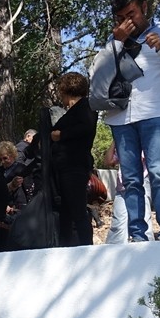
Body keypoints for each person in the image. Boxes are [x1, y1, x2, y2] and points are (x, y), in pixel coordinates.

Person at [90, 0, 160, 242]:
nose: (127, 21)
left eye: (131, 14)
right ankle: (137, 234)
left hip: (156, 113)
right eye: (120, 17)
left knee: (159, 171)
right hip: (121, 116)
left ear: (144, 7)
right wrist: (116, 41)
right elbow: (97, 75)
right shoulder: (114, 40)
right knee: (131, 179)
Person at [50, 72, 99, 247]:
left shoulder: (86, 106)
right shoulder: (74, 110)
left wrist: (60, 134)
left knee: (77, 209)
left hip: (75, 165)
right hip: (65, 166)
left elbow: (86, 128)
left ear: (65, 88)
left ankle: (86, 246)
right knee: (67, 210)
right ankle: (65, 246)